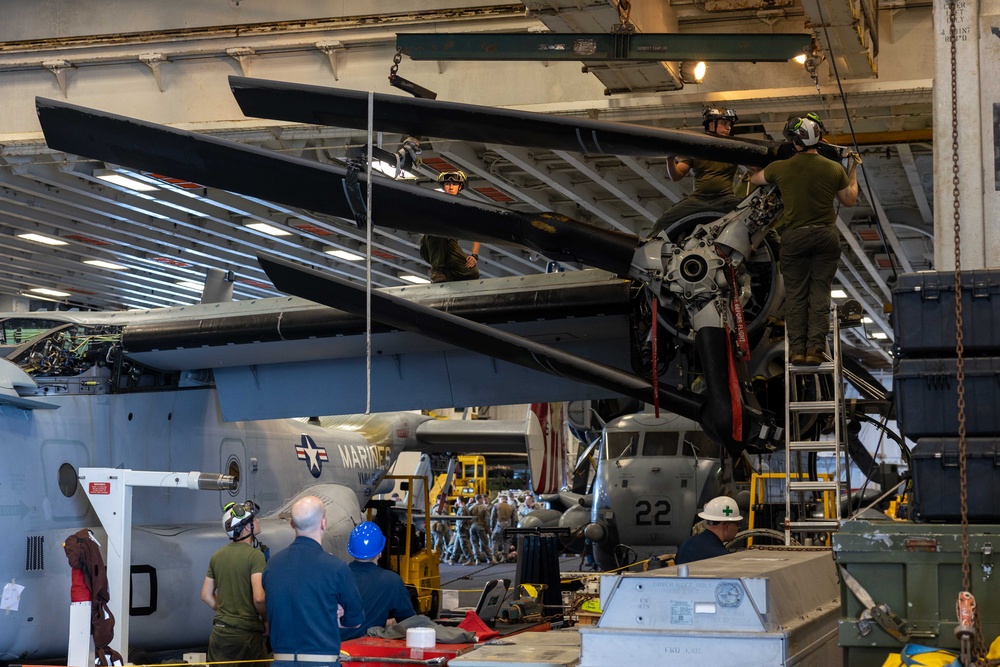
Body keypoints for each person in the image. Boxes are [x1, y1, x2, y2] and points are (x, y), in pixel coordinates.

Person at [749, 113, 859, 365]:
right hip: (825, 237)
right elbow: (850, 199)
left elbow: (755, 179)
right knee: (819, 292)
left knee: (797, 294)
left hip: (794, 238)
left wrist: (754, 165)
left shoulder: (780, 168)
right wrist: (853, 172)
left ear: (794, 142)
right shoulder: (833, 168)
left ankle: (797, 350)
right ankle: (816, 350)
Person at [263, 496, 364, 666]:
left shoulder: (272, 566)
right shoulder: (336, 568)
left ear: (292, 524)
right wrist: (334, 615)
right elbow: (356, 620)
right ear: (323, 523)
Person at [647, 108, 746, 239]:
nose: (728, 128)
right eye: (724, 123)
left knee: (756, 217)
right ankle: (644, 246)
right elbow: (676, 176)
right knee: (663, 222)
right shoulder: (697, 150)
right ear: (711, 124)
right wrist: (670, 159)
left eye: (729, 125)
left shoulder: (732, 150)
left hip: (725, 198)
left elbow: (754, 167)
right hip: (699, 199)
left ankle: (776, 245)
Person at [200, 501, 269, 667]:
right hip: (246, 637)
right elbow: (259, 599)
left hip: (219, 634)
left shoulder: (217, 556)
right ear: (246, 527)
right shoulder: (255, 556)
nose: (258, 521)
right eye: (254, 519)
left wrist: (229, 613)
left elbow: (206, 595)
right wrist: (266, 621)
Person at [341, 522, 416, 640]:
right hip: (365, 650)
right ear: (380, 553)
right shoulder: (391, 581)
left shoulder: (337, 576)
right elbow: (410, 622)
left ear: (351, 550)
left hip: (331, 647)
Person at [419, 171, 481, 283]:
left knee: (472, 273)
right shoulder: (435, 203)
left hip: (450, 246)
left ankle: (445, 276)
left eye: (454, 184)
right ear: (443, 187)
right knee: (439, 229)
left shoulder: (463, 210)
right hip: (431, 245)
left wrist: (474, 255)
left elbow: (476, 232)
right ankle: (436, 270)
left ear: (460, 186)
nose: (451, 187)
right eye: (447, 184)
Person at [674, 496, 743, 565]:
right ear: (727, 526)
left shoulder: (686, 544)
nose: (738, 528)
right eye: (738, 524)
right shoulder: (723, 558)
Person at [490, 494, 515, 562]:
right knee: (506, 541)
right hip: (508, 525)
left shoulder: (497, 506)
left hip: (499, 525)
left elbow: (493, 517)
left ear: (501, 499)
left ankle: (494, 557)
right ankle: (504, 557)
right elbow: (514, 518)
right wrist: (512, 528)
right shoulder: (511, 507)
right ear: (506, 500)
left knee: (495, 540)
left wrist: (492, 526)